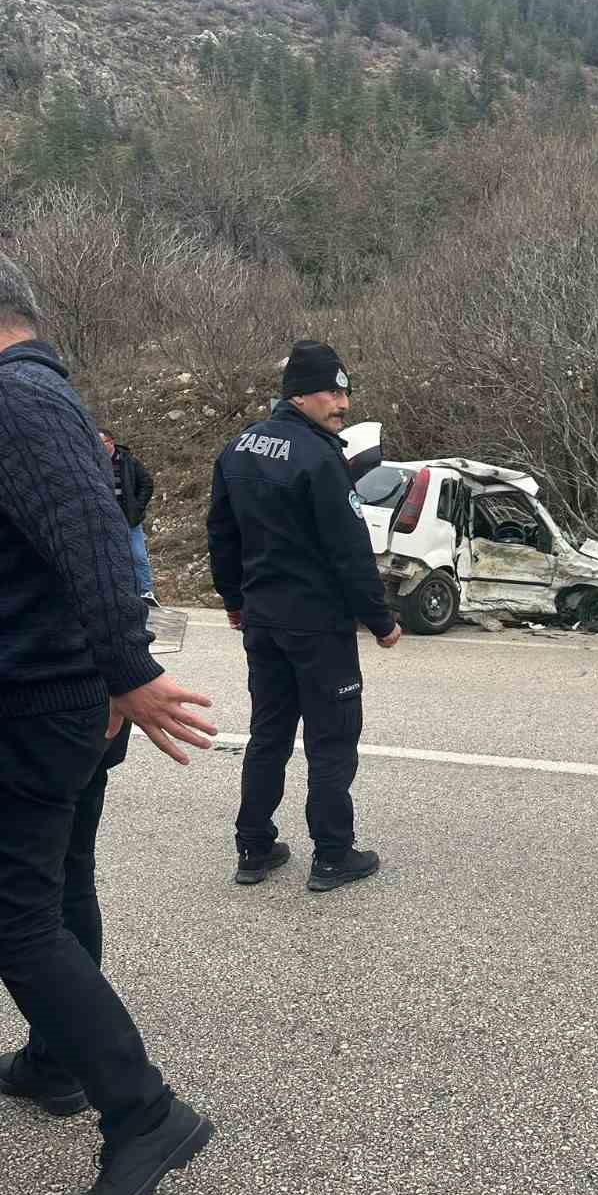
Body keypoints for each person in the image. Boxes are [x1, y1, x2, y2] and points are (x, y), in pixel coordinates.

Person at [0, 256, 218, 1195]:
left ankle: (141, 1110)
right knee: (59, 879)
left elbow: (96, 535)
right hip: (67, 690)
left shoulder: (18, 398)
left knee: (13, 912)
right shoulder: (46, 395)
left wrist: (126, 669)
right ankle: (56, 1056)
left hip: (41, 695)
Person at [207, 340, 402, 894]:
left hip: (265, 620)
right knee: (331, 740)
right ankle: (335, 855)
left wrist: (234, 602)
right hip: (317, 626)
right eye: (332, 391)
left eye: (345, 392)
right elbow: (348, 551)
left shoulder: (240, 447)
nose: (342, 403)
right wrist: (381, 620)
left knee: (268, 733)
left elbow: (222, 533)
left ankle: (255, 846)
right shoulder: (320, 458)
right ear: (300, 394)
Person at [99, 428, 157, 606]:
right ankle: (114, 594)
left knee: (138, 555)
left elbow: (146, 484)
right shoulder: (93, 462)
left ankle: (146, 592)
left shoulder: (128, 461)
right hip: (104, 519)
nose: (101, 447)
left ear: (112, 442)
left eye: (104, 443)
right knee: (106, 557)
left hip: (129, 518)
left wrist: (137, 507)